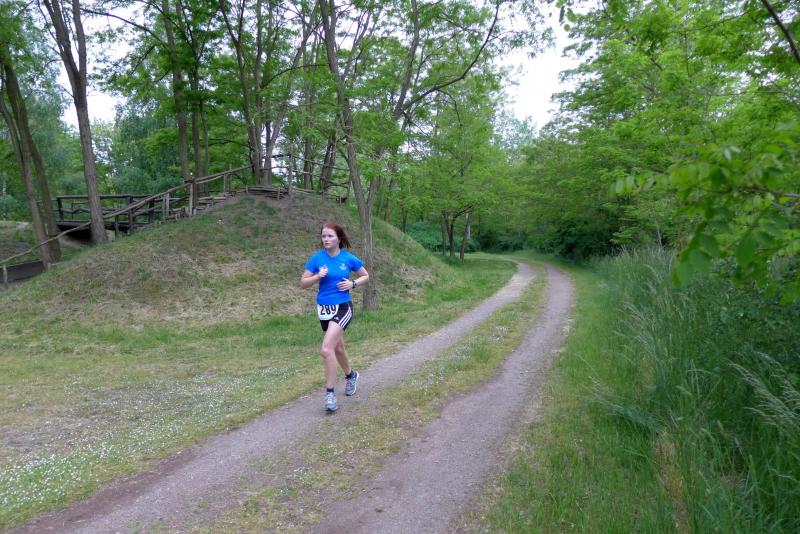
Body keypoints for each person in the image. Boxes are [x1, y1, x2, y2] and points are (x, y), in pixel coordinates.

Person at [300, 222, 369, 412]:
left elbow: (366, 276)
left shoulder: (347, 258)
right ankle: (351, 375)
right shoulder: (317, 258)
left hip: (343, 307)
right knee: (337, 348)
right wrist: (317, 277)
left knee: (326, 349)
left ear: (339, 238)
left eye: (330, 236)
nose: (326, 239)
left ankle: (330, 393)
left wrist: (353, 284)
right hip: (324, 308)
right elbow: (303, 283)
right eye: (323, 236)